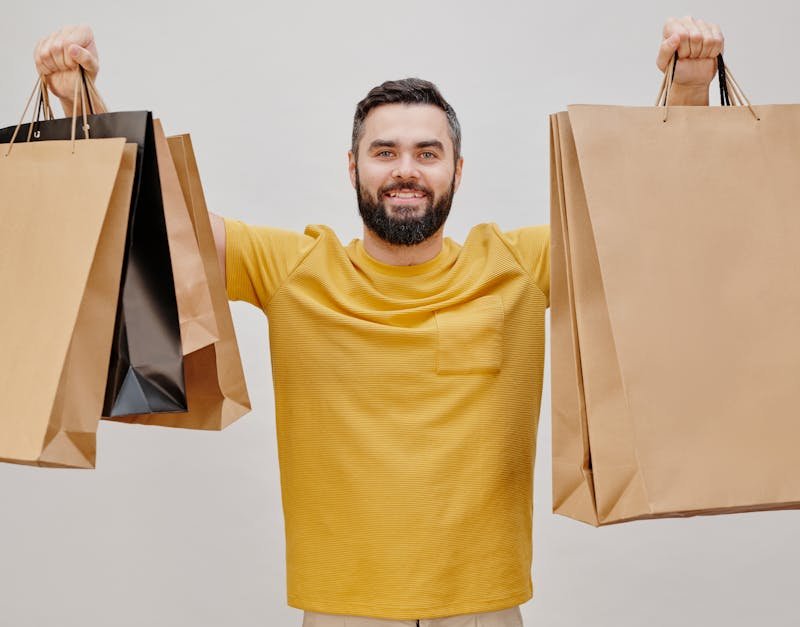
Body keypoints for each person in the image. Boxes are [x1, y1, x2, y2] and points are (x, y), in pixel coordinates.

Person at [33, 16, 724, 627]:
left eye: (427, 152)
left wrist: (688, 95)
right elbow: (161, 224)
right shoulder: (296, 268)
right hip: (341, 610)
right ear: (353, 166)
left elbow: (646, 221)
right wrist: (83, 106)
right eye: (385, 151)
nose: (406, 170)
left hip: (484, 608)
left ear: (458, 168)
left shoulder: (518, 265)